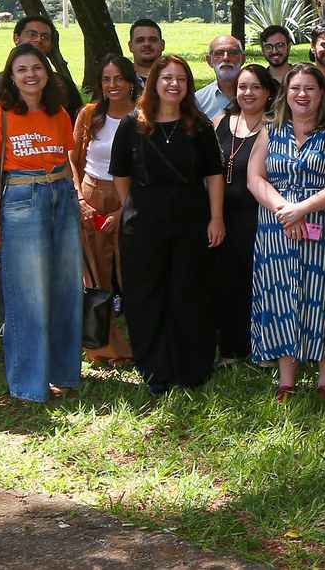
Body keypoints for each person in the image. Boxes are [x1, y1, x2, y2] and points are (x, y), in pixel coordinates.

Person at [247, 64, 325, 403]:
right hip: (277, 227)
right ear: (286, 93)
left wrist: (303, 209)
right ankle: (287, 380)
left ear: (321, 94)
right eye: (296, 88)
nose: (302, 94)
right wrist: (285, 209)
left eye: (310, 88)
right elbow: (256, 178)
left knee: (324, 292)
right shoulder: (271, 131)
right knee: (282, 297)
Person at [109, 55, 226, 396]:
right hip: (143, 228)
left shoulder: (199, 126)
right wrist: (135, 206)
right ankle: (155, 370)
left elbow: (214, 176)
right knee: (147, 297)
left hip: (191, 224)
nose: (174, 84)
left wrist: (216, 218)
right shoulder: (133, 124)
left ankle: (192, 369)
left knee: (188, 294)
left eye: (181, 79)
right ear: (154, 83)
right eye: (167, 78)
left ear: (188, 86)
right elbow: (120, 174)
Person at [0, 43, 85, 403]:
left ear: (46, 72)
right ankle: (28, 383)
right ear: (12, 76)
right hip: (22, 199)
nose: (30, 75)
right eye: (21, 70)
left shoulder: (59, 114)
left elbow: (68, 160)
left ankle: (64, 373)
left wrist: (77, 198)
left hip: (62, 196)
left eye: (36, 67)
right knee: (28, 293)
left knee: (67, 287)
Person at [71, 56, 138, 364]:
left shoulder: (143, 117)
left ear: (130, 82)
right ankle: (104, 344)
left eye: (119, 79)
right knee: (97, 275)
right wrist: (81, 201)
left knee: (132, 272)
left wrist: (125, 209)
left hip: (131, 197)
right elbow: (72, 159)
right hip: (92, 193)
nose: (113, 86)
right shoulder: (89, 115)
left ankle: (140, 340)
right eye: (106, 80)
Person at [213, 64, 277, 367]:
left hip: (260, 219)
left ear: (267, 93)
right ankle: (231, 349)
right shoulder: (219, 122)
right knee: (227, 285)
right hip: (222, 218)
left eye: (254, 87)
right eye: (242, 87)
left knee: (261, 284)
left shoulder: (275, 128)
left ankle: (263, 348)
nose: (247, 93)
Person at [0, 16, 84, 112]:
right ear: (16, 38)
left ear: (51, 45)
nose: (39, 39)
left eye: (45, 36)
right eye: (32, 34)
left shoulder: (63, 85)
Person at [194, 34, 244, 118]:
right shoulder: (198, 100)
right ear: (209, 61)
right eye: (219, 53)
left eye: (233, 53)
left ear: (242, 59)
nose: (226, 58)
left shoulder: (257, 96)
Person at [126, 19, 166, 87]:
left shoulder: (176, 78)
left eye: (153, 40)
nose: (147, 44)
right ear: (131, 46)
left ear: (162, 45)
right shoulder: (122, 78)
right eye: (140, 40)